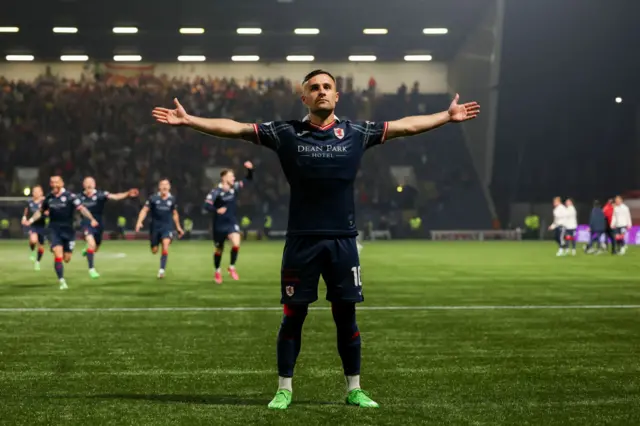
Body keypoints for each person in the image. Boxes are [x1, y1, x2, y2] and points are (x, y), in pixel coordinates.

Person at [152, 69, 480, 410]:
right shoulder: (285, 133)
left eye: (327, 87)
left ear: (337, 96)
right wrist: (190, 120)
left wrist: (446, 115)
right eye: (314, 88)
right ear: (304, 98)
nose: (321, 91)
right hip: (301, 242)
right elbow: (234, 128)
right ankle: (284, 388)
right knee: (293, 317)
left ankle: (354, 388)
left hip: (343, 241)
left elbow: (405, 126)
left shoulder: (356, 131)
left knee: (346, 317)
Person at [23, 176, 98, 289]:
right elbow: (40, 211)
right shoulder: (49, 197)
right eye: (52, 182)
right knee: (58, 254)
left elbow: (82, 209)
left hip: (68, 230)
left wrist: (92, 219)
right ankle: (62, 281)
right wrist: (31, 220)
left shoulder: (70, 197)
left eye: (56, 182)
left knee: (66, 258)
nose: (54, 184)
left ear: (62, 183)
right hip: (54, 229)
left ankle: (60, 252)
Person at [203, 162, 254, 284]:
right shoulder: (216, 191)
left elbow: (248, 181)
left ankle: (231, 267)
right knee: (219, 249)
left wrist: (250, 170)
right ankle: (217, 271)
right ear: (224, 178)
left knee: (236, 244)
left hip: (231, 222)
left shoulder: (235, 187)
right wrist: (217, 210)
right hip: (219, 225)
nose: (234, 178)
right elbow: (206, 205)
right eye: (231, 176)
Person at [79, 177, 139, 278]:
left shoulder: (101, 194)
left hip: (99, 223)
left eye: (91, 183)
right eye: (87, 183)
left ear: (94, 184)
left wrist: (127, 194)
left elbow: (115, 197)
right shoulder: (79, 197)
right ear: (83, 185)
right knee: (91, 243)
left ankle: (87, 249)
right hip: (87, 223)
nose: (89, 185)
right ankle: (91, 269)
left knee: (95, 247)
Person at [135, 179, 184, 278]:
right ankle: (154, 244)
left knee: (165, 246)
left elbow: (175, 214)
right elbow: (144, 210)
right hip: (155, 228)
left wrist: (178, 227)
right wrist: (139, 222)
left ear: (169, 187)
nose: (165, 187)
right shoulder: (153, 198)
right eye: (162, 185)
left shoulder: (172, 199)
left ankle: (161, 270)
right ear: (159, 187)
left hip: (167, 227)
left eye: (166, 185)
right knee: (154, 250)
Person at [22, 185, 47, 271]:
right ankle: (32, 251)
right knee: (33, 240)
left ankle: (38, 261)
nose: (35, 193)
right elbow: (26, 212)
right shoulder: (29, 202)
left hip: (42, 225)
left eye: (37, 191)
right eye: (34, 191)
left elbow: (47, 211)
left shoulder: (44, 202)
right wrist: (24, 218)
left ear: (41, 192)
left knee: (41, 247)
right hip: (33, 225)